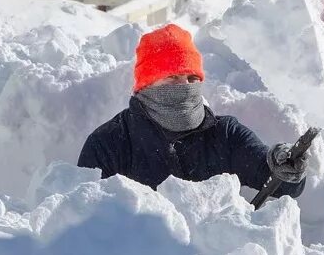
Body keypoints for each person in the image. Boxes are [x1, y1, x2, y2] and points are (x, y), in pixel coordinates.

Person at [77, 24, 308, 200]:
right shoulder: (107, 145)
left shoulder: (225, 135)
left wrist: (285, 166)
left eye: (192, 78)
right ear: (146, 84)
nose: (185, 86)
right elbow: (82, 220)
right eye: (173, 77)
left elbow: (281, 184)